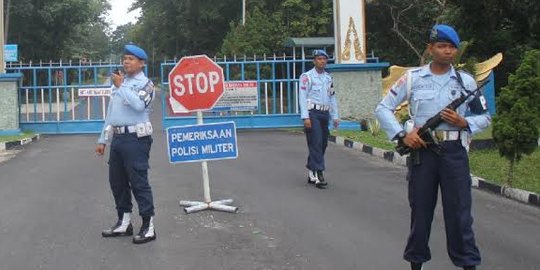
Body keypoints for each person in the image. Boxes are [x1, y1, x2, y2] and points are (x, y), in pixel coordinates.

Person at [375, 25, 491, 270]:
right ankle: (417, 263)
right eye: (441, 46)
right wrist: (401, 135)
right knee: (421, 212)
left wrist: (465, 122)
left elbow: (485, 117)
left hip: (454, 153)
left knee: (459, 214)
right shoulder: (413, 78)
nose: (447, 51)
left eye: (451, 47)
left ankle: (468, 263)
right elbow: (383, 108)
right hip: (423, 152)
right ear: (430, 49)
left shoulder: (466, 81)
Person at [95, 44, 156, 244]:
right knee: (117, 183)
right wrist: (103, 139)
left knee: (139, 182)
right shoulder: (120, 83)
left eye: (131, 59)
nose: (126, 61)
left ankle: (148, 226)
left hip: (136, 139)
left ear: (142, 63)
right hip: (119, 139)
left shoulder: (146, 84)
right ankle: (124, 222)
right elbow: (112, 113)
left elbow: (139, 106)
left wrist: (122, 87)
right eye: (125, 58)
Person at [299, 49, 340, 189]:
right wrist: (305, 117)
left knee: (323, 143)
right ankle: (319, 174)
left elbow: (332, 96)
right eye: (319, 59)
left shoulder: (328, 78)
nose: (322, 61)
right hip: (312, 113)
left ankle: (312, 169)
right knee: (315, 142)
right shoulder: (307, 77)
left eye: (324, 59)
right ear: (314, 61)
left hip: (324, 113)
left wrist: (335, 115)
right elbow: (302, 97)